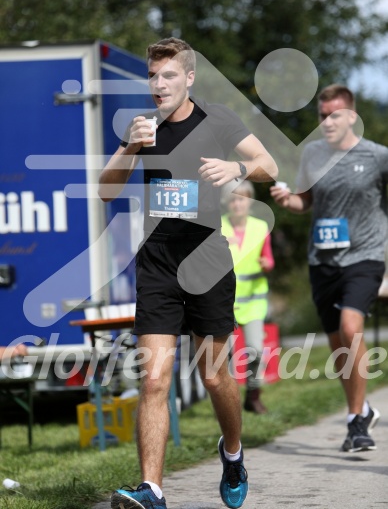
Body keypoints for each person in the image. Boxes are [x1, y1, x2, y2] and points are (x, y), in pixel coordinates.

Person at [99, 37, 278, 509]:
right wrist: (129, 148)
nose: (159, 85)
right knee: (154, 378)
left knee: (215, 377)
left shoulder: (216, 119)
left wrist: (236, 165)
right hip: (157, 258)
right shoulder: (143, 126)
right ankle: (152, 490)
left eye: (169, 76)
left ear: (189, 78)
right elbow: (104, 190)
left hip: (207, 258)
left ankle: (233, 453)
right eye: (153, 77)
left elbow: (269, 163)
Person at [270, 83, 386, 453]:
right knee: (339, 349)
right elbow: (305, 201)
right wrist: (288, 200)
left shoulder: (377, 156)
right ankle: (362, 408)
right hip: (322, 260)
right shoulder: (313, 154)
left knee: (351, 327)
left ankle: (355, 422)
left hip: (365, 255)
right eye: (322, 116)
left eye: (335, 115)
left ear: (351, 116)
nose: (327, 122)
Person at [221, 181, 275, 414]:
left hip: (253, 302)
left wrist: (267, 264)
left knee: (254, 350)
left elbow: (269, 259)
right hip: (225, 303)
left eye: (242, 198)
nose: (237, 203)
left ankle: (253, 396)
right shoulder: (218, 227)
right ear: (226, 202)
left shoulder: (261, 227)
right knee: (229, 355)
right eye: (233, 199)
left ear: (250, 201)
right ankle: (228, 402)